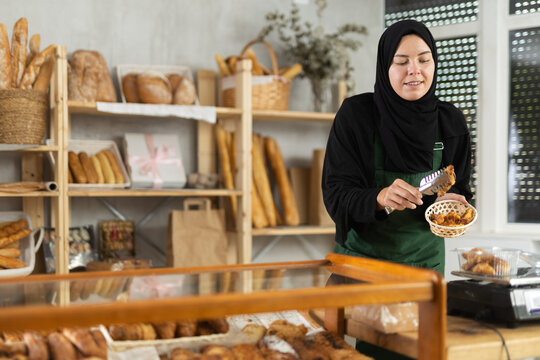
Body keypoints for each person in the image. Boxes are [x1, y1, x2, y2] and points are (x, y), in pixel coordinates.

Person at [322, 18, 473, 360]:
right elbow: (335, 194)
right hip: (362, 270)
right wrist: (378, 196)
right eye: (401, 62)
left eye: (424, 59)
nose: (414, 71)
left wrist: (453, 202)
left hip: (423, 273)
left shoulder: (450, 122)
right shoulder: (356, 116)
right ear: (384, 65)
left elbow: (459, 186)